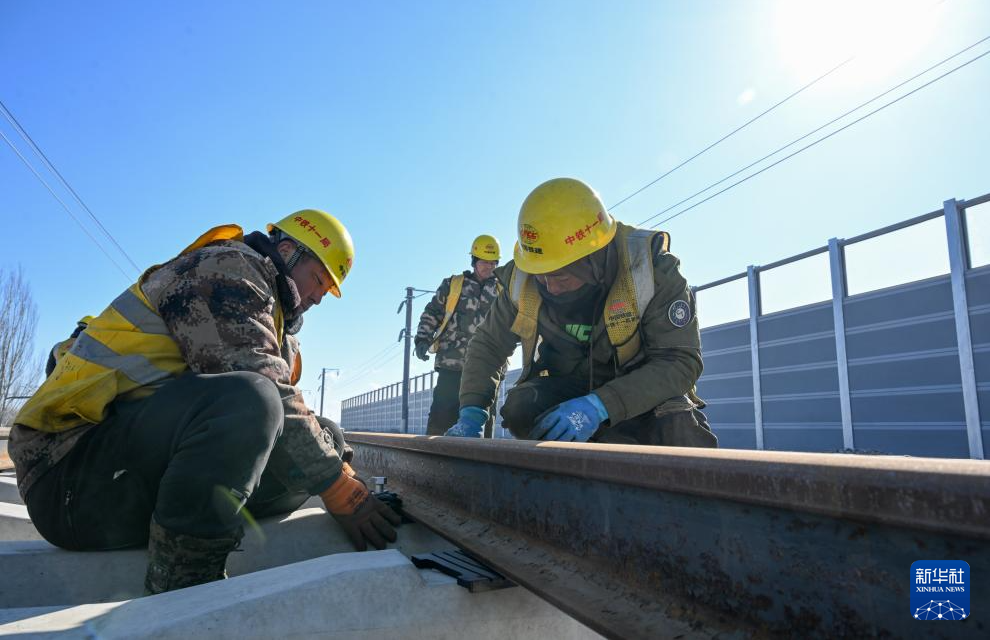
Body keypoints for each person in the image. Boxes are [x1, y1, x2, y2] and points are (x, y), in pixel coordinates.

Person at [10, 210, 401, 594]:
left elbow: (296, 421)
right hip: (67, 479)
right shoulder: (228, 268)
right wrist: (339, 491)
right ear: (286, 250)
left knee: (326, 437)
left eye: (326, 290)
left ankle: (185, 533)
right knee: (252, 400)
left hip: (123, 479)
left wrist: (346, 476)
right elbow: (267, 392)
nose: (317, 298)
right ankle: (184, 580)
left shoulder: (273, 315)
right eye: (317, 279)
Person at [445, 178, 717, 447]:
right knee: (522, 406)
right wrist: (472, 412)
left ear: (593, 260)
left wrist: (600, 405)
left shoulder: (649, 268)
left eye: (561, 277)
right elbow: (489, 344)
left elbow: (680, 362)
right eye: (541, 276)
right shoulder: (524, 279)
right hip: (570, 386)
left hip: (639, 390)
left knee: (678, 429)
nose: (550, 286)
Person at [414, 235, 505, 437]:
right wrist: (422, 339)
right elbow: (432, 313)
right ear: (474, 261)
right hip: (452, 363)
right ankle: (434, 462)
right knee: (442, 415)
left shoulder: (502, 290)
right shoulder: (453, 285)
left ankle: (478, 463)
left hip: (487, 368)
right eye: (484, 262)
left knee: (481, 421)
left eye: (493, 263)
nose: (488, 267)